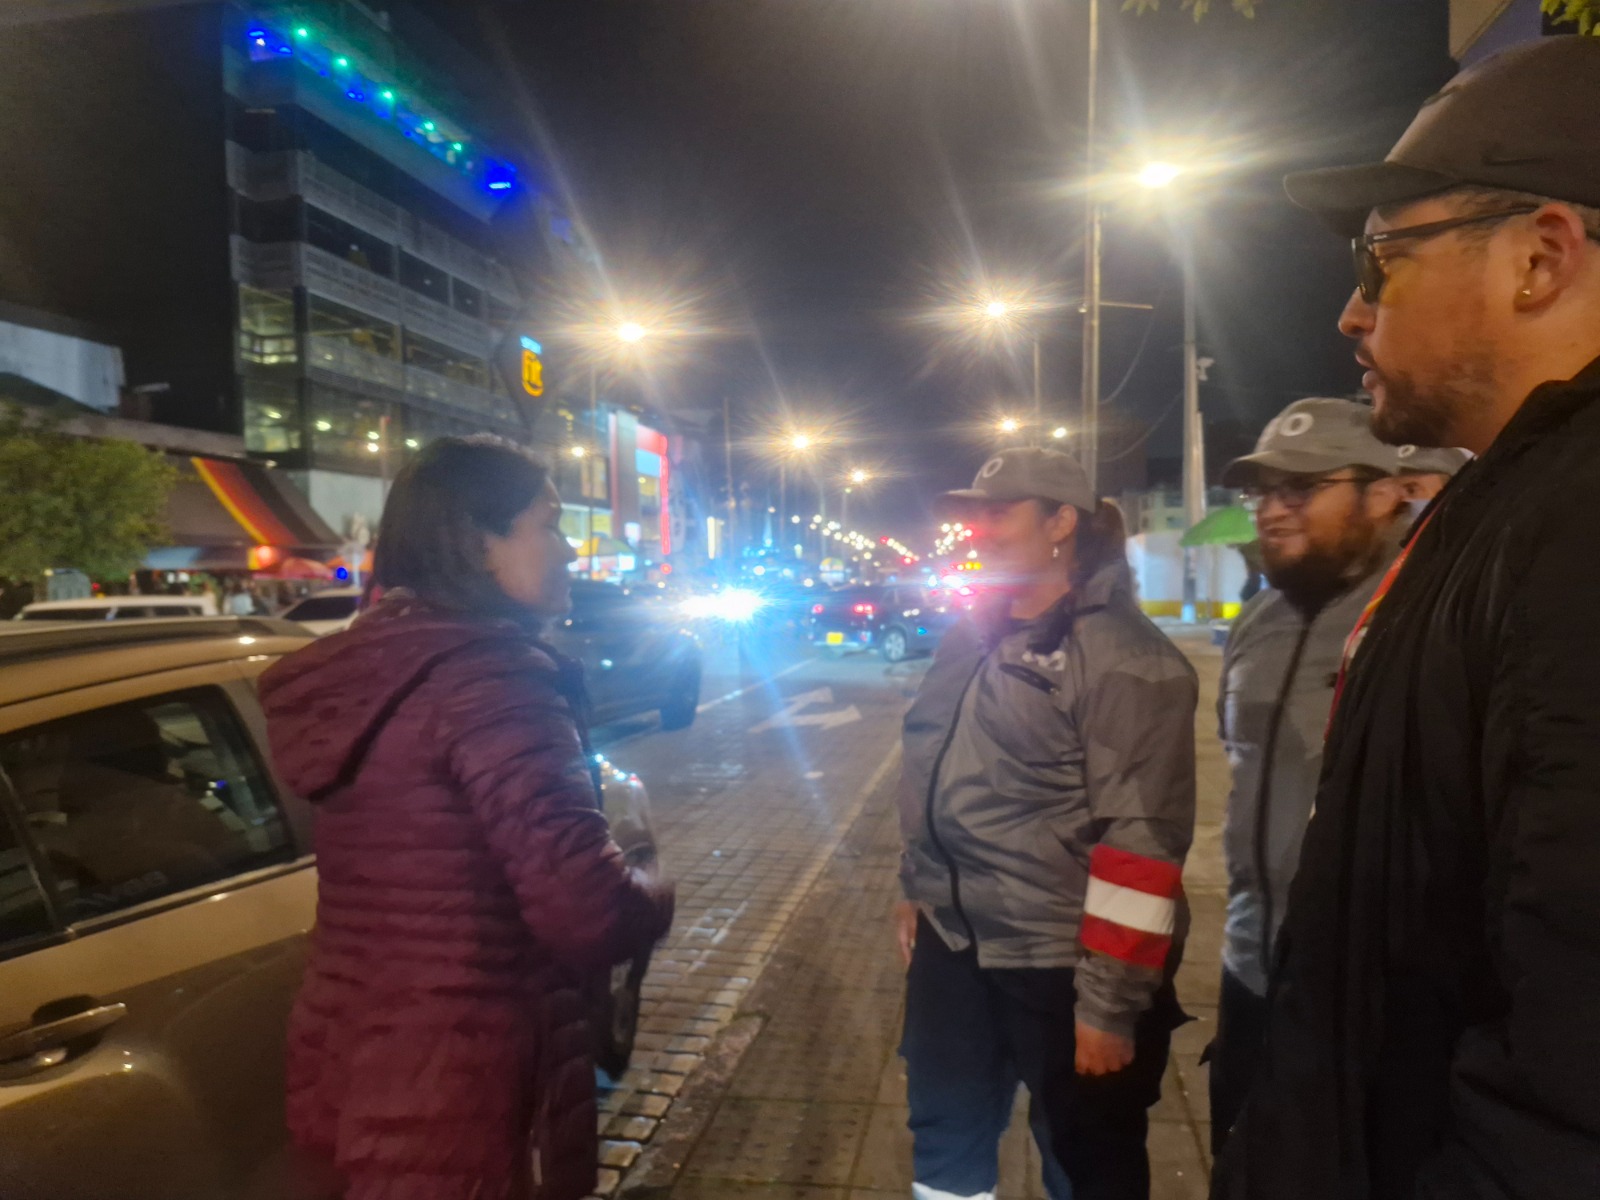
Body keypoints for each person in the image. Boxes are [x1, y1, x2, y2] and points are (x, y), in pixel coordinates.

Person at [1215, 36, 1600, 1199]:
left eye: (1380, 259)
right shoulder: (1505, 504)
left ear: (1538, 258)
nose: (1350, 312)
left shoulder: (1574, 525)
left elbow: (1563, 1092)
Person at [258, 436, 674, 1200]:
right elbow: (588, 911)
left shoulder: (366, 668)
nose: (569, 551)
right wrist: (651, 878)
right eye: (548, 524)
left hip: (353, 1058)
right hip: (471, 1088)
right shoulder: (494, 681)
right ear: (478, 542)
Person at [897, 447, 1197, 1200]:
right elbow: (931, 764)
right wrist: (917, 887)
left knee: (1085, 1160)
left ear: (1062, 522)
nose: (981, 530)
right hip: (954, 944)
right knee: (943, 1142)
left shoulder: (1127, 658)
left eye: (1000, 513)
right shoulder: (971, 633)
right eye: (975, 515)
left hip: (1061, 961)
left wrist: (1109, 1007)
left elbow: (1142, 845)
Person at [1209, 398, 1464, 1155]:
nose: (1271, 510)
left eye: (1302, 488)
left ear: (1384, 492)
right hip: (1249, 970)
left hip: (1370, 1000)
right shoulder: (1255, 625)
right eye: (1262, 492)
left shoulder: (1424, 618)